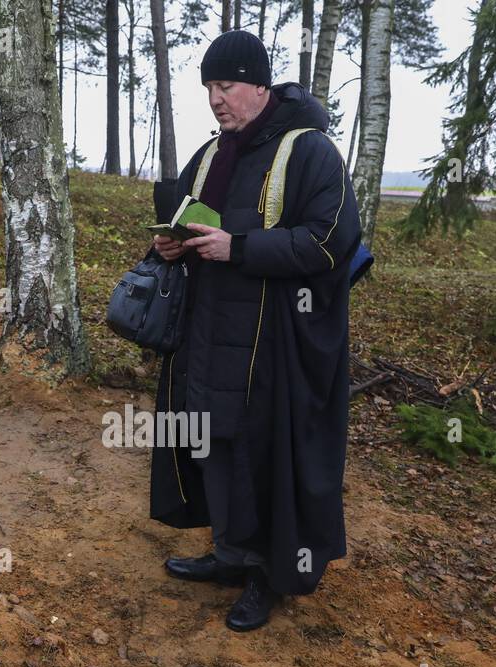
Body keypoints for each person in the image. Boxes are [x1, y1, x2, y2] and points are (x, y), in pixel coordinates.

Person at [148, 31, 361, 632]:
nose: (216, 99)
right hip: (210, 334)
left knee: (266, 454)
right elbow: (189, 219)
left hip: (276, 342)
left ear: (261, 85)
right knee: (214, 444)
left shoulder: (310, 150)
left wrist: (239, 248)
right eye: (209, 88)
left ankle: (268, 575)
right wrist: (168, 246)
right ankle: (231, 554)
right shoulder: (216, 152)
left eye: (227, 86)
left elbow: (329, 240)